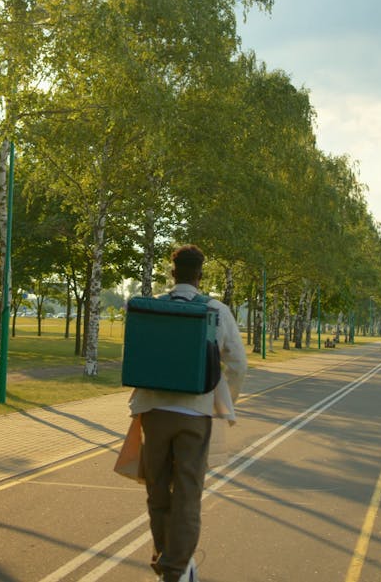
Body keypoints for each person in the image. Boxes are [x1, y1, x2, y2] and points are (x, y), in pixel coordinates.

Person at [129, 244, 247, 582]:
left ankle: (165, 557)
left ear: (172, 272)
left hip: (153, 411)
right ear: (200, 275)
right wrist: (224, 400)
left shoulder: (154, 307)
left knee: (157, 488)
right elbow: (237, 363)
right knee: (188, 492)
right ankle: (177, 569)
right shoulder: (215, 310)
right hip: (195, 413)